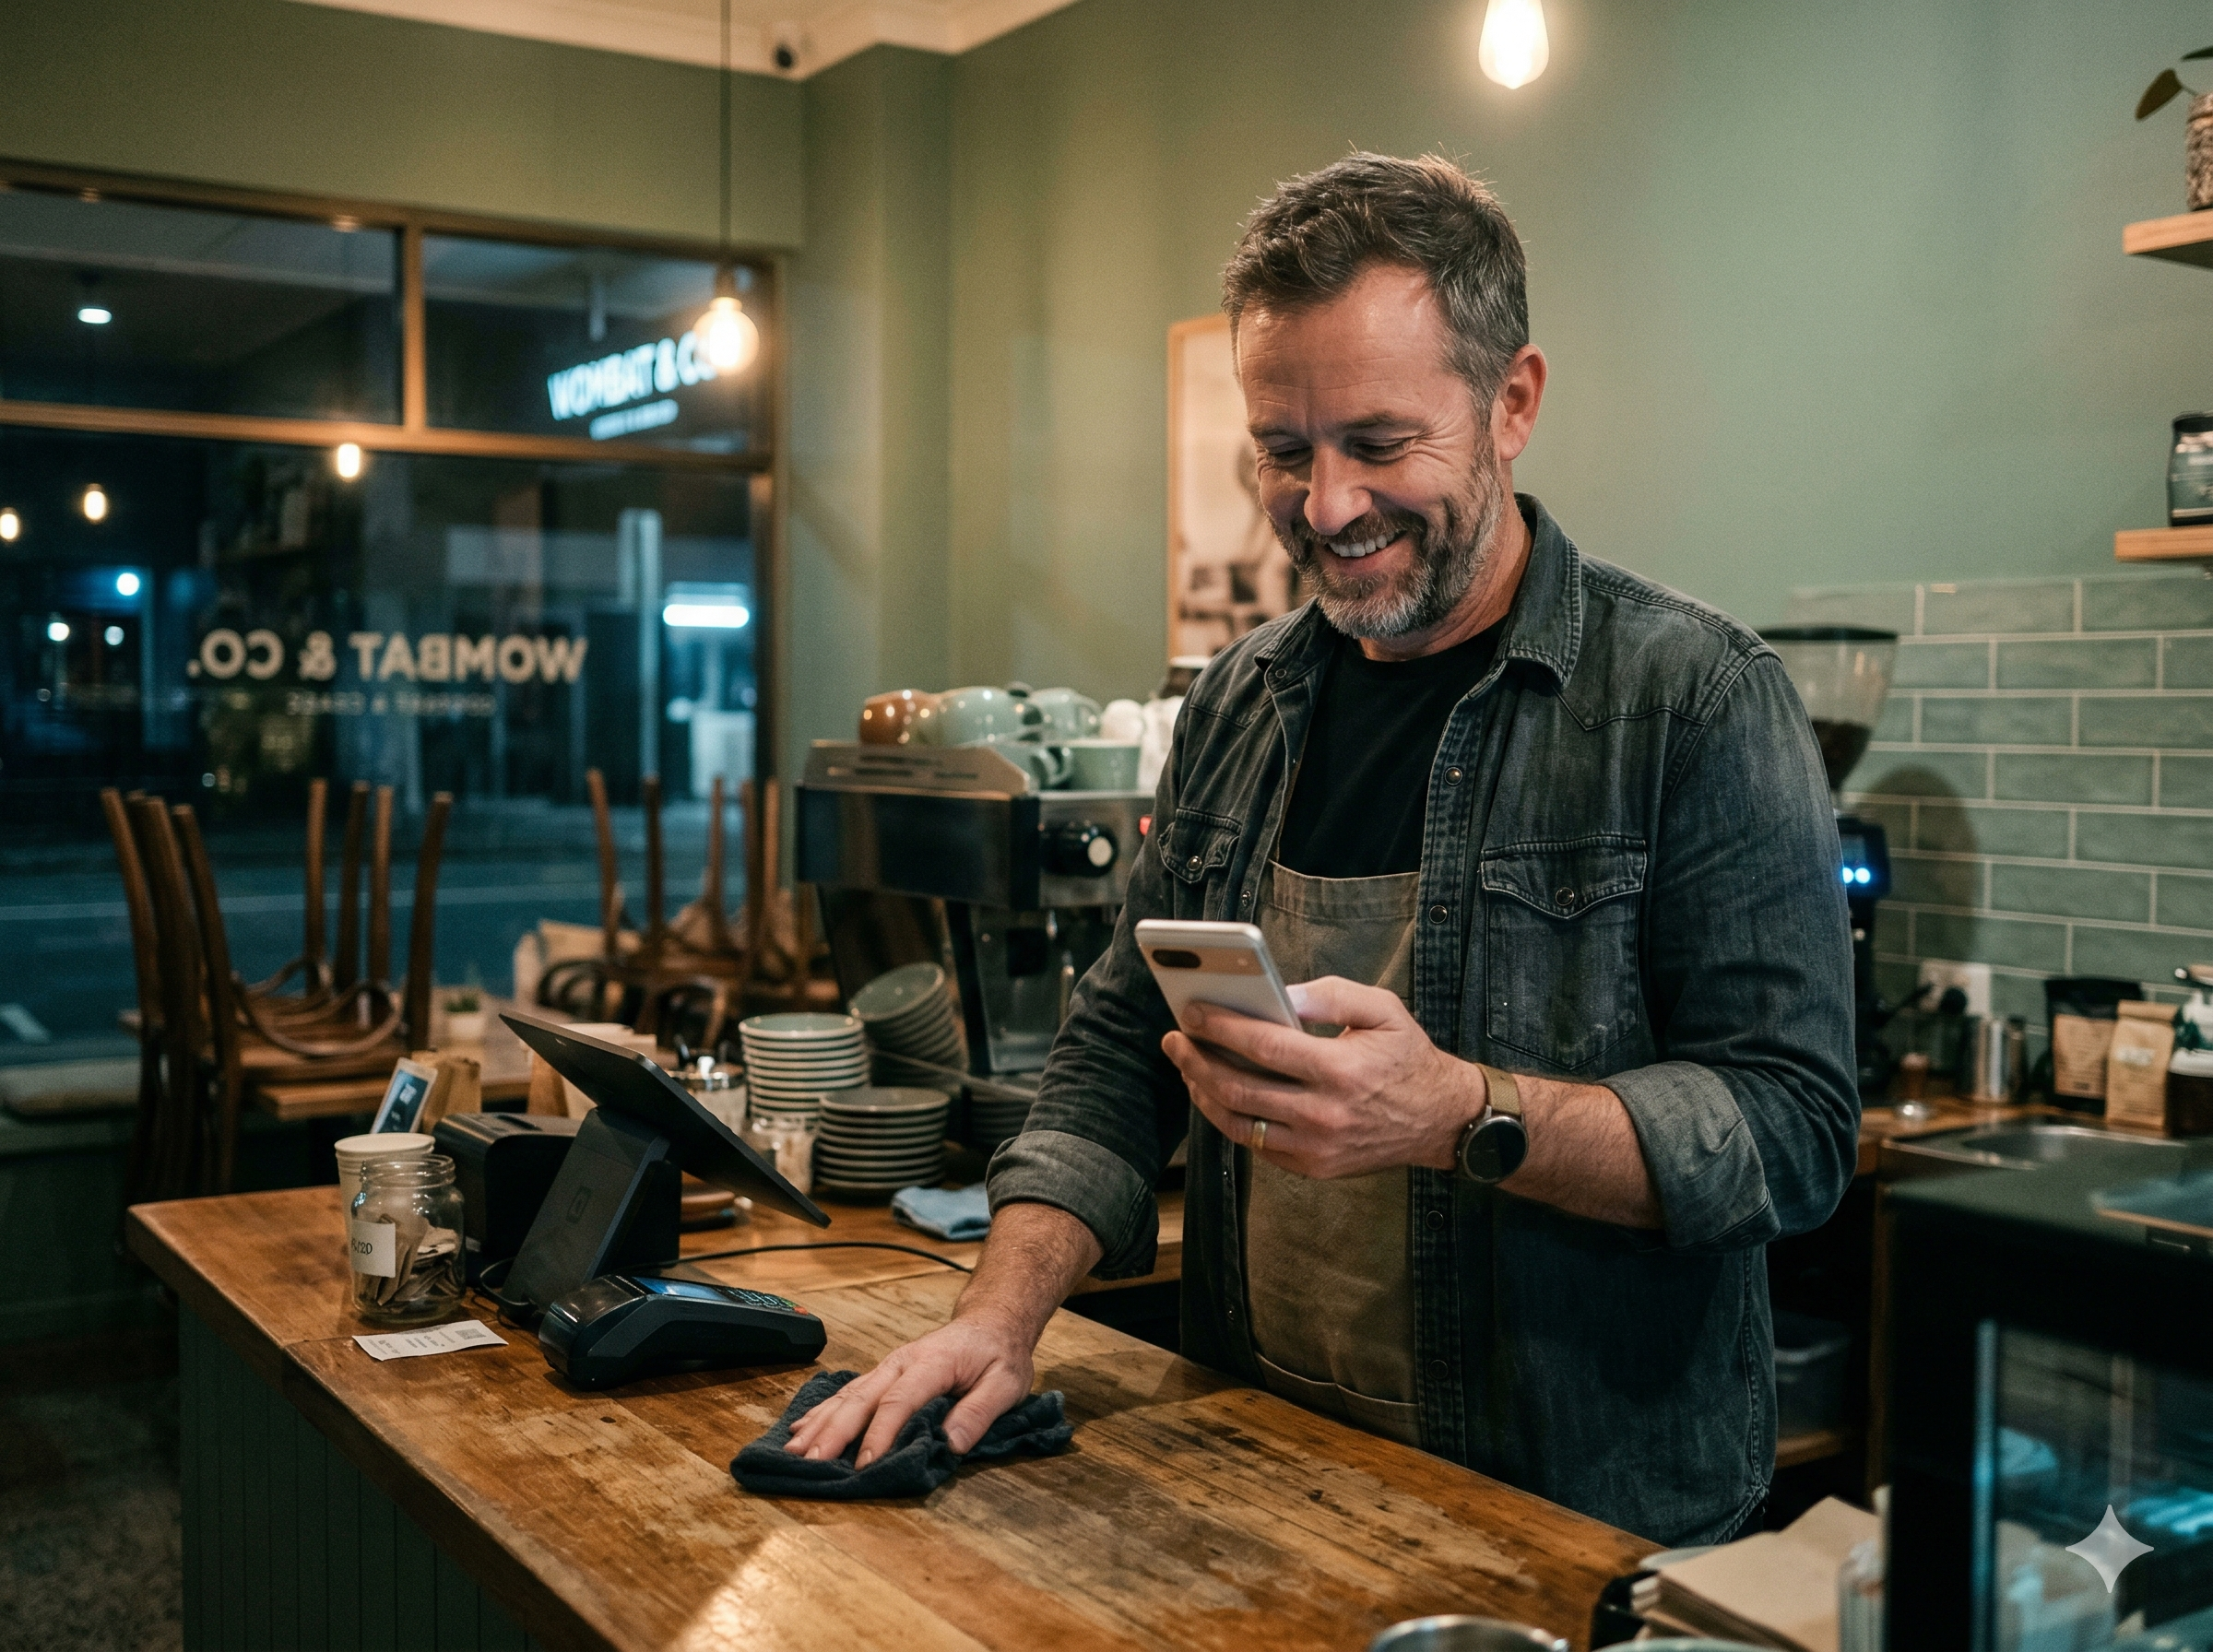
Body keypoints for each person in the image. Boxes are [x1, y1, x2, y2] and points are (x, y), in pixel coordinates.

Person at [785, 152, 1858, 1544]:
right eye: (1284, 451)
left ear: (1512, 402)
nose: (1329, 504)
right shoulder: (1242, 700)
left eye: (1379, 442)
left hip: (1576, 1515)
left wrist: (1458, 1113)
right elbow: (1118, 1054)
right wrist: (995, 1323)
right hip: (1271, 1479)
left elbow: (1791, 1133)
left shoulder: (1693, 699)